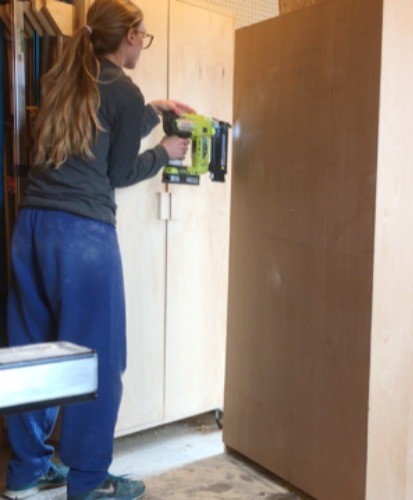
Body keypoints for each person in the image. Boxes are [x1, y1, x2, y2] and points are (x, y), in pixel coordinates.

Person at [2, 1, 193, 499]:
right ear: (128, 37)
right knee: (96, 362)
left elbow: (98, 129)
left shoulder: (63, 80)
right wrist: (164, 153)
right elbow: (119, 171)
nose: (142, 46)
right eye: (143, 37)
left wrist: (155, 113)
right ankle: (88, 484)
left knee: (33, 354)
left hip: (32, 231)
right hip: (83, 239)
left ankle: (25, 473)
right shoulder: (124, 91)